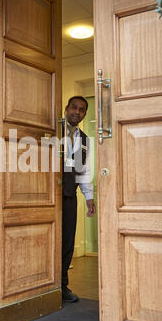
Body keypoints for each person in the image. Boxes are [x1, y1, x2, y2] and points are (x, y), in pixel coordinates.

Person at [62, 96, 96, 303]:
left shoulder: (84, 140)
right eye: (74, 107)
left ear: (84, 114)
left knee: (67, 242)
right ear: (66, 109)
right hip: (49, 195)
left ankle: (61, 286)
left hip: (69, 195)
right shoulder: (54, 131)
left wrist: (89, 197)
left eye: (82, 110)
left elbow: (83, 170)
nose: (77, 112)